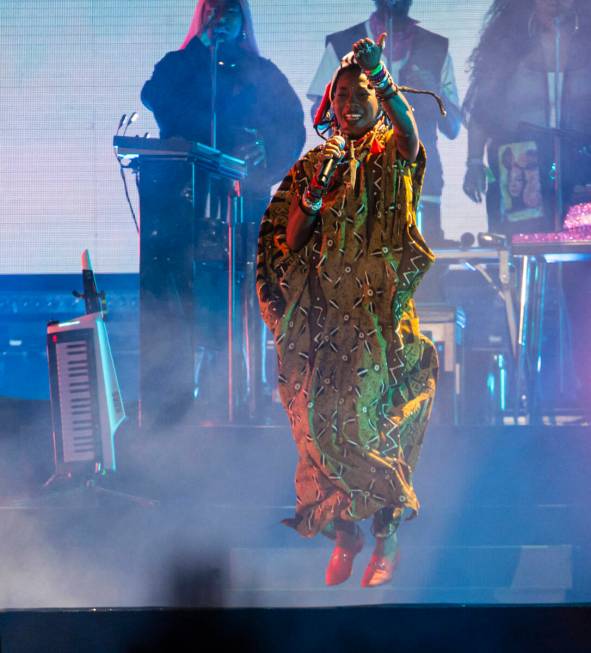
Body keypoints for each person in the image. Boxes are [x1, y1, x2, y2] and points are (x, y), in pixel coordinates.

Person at [257, 34, 438, 587]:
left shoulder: (391, 154)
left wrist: (382, 74)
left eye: (361, 92)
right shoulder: (316, 162)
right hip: (321, 324)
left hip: (376, 322)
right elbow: (289, 240)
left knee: (367, 428)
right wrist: (315, 194)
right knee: (316, 429)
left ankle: (387, 540)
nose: (351, 103)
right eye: (341, 95)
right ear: (329, 104)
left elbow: (410, 131)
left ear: (378, 98)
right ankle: (344, 533)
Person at [308, 0, 461, 246]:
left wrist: (432, 90)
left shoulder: (435, 47)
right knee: (360, 258)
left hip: (421, 178)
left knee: (422, 267)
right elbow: (320, 117)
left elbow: (453, 127)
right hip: (357, 176)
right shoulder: (342, 43)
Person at [141, 0, 306, 222]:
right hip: (184, 190)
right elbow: (153, 94)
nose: (221, 17)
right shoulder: (179, 63)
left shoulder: (262, 72)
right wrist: (198, 47)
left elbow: (292, 123)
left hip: (244, 194)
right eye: (213, 9)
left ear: (243, 19)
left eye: (229, 11)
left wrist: (267, 147)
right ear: (202, 14)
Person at [462, 0, 591, 234]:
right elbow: (483, 110)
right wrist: (473, 162)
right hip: (521, 164)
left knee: (579, 246)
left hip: (580, 164)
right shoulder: (508, 46)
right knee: (525, 242)